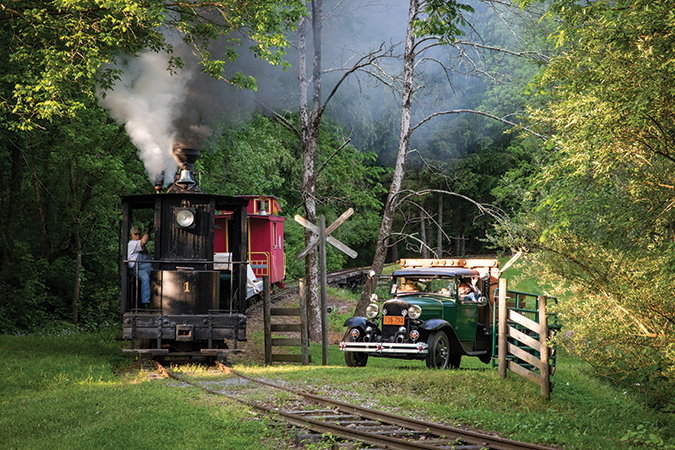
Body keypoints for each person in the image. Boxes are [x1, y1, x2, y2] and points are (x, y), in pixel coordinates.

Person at [128, 224, 152, 307]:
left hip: (147, 267)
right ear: (132, 235)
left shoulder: (142, 246)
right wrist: (148, 232)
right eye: (135, 234)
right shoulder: (132, 244)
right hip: (137, 268)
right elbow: (144, 242)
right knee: (145, 278)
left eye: (139, 234)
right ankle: (145, 302)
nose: (137, 236)